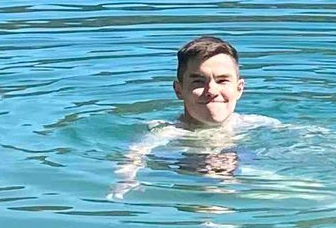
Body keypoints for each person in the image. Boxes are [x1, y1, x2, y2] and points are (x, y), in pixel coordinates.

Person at [109, 35, 260, 199]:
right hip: (187, 179)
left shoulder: (256, 124)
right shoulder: (167, 132)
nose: (211, 90)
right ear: (179, 90)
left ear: (239, 88)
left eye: (222, 80)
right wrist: (126, 181)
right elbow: (132, 157)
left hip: (244, 176)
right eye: (198, 81)